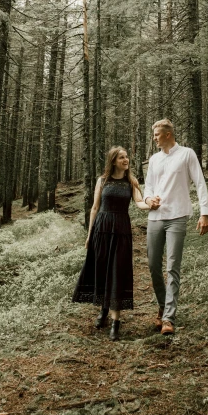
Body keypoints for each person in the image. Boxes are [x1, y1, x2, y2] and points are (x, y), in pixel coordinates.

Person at [72, 146, 150, 341]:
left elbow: (139, 202)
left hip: (122, 230)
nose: (126, 160)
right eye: (121, 157)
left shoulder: (131, 181)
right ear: (114, 161)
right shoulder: (102, 180)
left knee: (117, 270)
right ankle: (104, 309)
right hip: (102, 229)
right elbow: (95, 207)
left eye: (127, 157)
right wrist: (90, 235)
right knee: (102, 269)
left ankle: (116, 322)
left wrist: (151, 204)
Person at [144, 118, 208, 336]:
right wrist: (148, 199)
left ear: (168, 135)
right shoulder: (154, 159)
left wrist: (204, 213)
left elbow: (200, 183)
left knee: (172, 266)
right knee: (153, 265)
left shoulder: (187, 154)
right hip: (155, 217)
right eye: (154, 135)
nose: (154, 138)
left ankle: (168, 318)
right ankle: (163, 306)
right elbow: (149, 186)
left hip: (177, 217)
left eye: (157, 135)